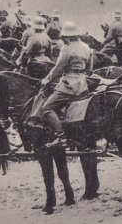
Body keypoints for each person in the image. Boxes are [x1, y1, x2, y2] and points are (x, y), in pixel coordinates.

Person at [39, 21, 93, 149]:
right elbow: (90, 70)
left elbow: (58, 68)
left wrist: (46, 80)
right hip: (83, 83)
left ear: (67, 36)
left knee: (46, 108)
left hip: (69, 84)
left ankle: (61, 137)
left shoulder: (67, 49)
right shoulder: (87, 48)